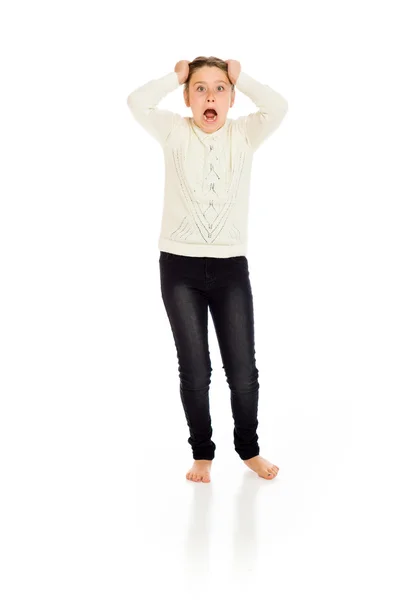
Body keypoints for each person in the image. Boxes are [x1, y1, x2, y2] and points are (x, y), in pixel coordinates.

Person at [127, 56, 288, 483]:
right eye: (200, 88)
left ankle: (249, 450)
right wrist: (175, 75)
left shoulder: (244, 134)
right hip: (178, 269)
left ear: (232, 98)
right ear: (187, 98)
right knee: (196, 370)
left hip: (230, 269)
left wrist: (243, 76)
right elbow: (136, 102)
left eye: (220, 88)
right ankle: (202, 453)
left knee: (243, 372)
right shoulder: (175, 131)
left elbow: (278, 107)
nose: (210, 96)